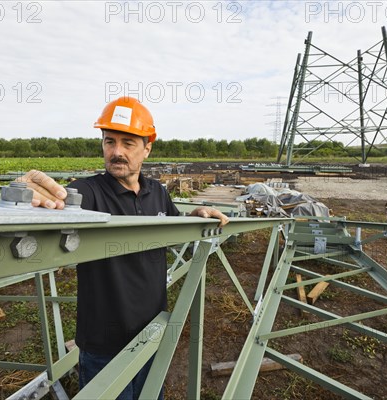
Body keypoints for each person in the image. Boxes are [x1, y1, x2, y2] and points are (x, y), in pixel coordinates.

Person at [17, 96, 228, 399]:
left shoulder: (157, 191)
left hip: (151, 332)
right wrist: (25, 194)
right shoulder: (88, 192)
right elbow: (57, 205)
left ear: (147, 147)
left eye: (128, 143)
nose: (116, 152)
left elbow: (174, 230)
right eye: (109, 141)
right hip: (104, 343)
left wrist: (194, 218)